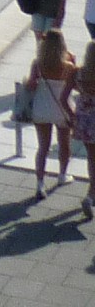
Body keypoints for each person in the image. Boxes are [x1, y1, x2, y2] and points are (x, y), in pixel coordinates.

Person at [25, 28, 77, 198]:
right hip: (61, 110)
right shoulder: (67, 65)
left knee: (43, 147)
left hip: (41, 108)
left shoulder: (37, 63)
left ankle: (40, 183)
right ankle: (62, 175)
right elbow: (74, 86)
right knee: (64, 144)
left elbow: (31, 85)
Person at [74, 43, 95, 224]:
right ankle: (90, 195)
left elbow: (72, 91)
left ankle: (91, 191)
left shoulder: (80, 73)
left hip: (85, 120)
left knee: (91, 158)